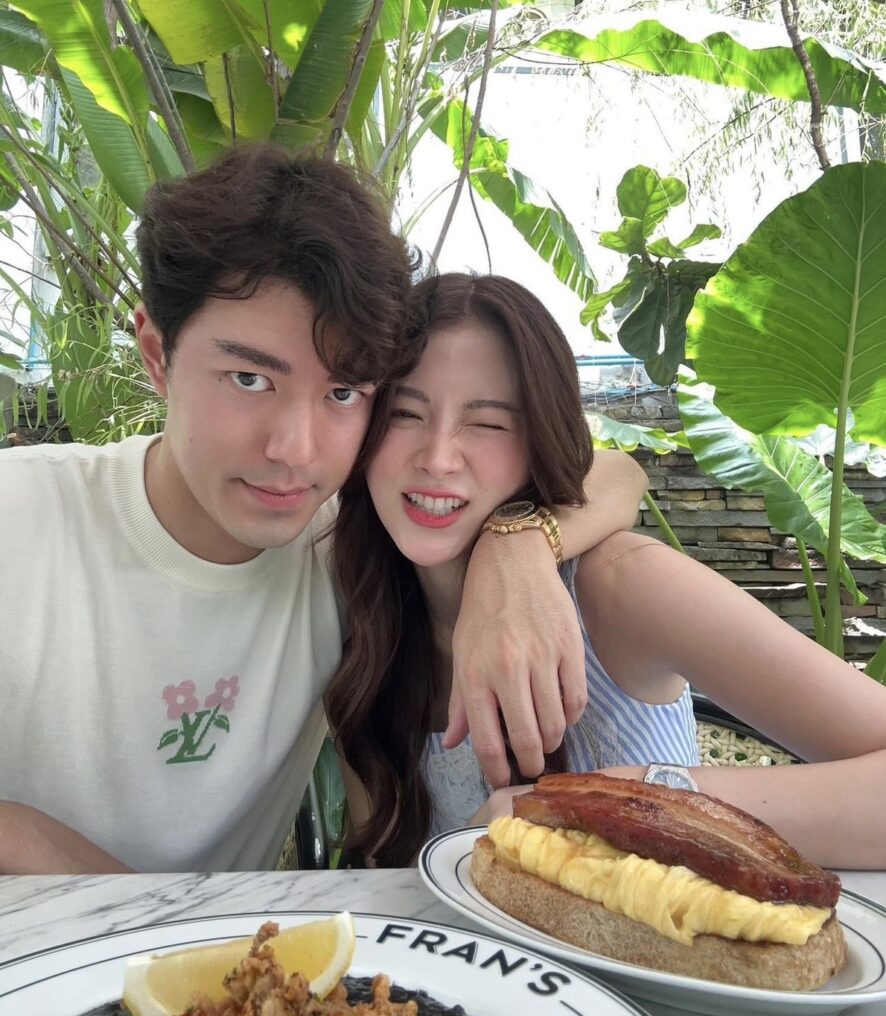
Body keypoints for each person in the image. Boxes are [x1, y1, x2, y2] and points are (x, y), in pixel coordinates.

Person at [0, 145, 646, 874]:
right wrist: (24, 839)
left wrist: (516, 549)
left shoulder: (347, 549)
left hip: (233, 952)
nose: (295, 451)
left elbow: (621, 474)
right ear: (157, 354)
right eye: (249, 378)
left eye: (343, 393)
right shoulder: (19, 518)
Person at [327, 272, 886, 871]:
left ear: (541, 440)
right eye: (405, 413)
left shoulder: (622, 585)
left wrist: (628, 800)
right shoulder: (361, 619)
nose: (437, 458)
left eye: (488, 423)